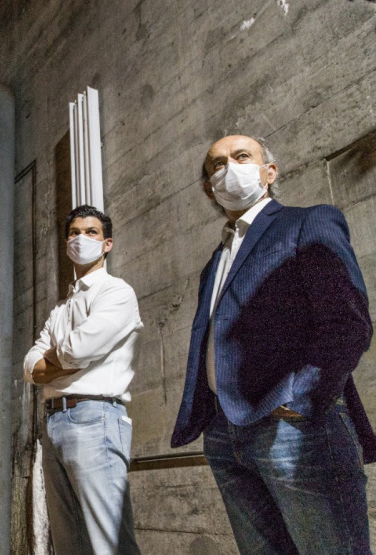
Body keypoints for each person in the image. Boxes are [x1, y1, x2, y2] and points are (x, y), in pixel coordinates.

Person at [171, 135, 375, 553]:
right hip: (225, 433)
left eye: (241, 156)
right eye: (216, 165)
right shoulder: (216, 259)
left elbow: (347, 323)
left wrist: (299, 398)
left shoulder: (309, 221)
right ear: (210, 188)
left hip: (294, 427)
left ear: (270, 172)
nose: (228, 167)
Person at [23, 204, 143, 554]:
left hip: (96, 417)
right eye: (74, 233)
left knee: (109, 543)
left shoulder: (116, 293)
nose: (81, 239)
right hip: (54, 421)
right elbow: (30, 367)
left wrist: (59, 359)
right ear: (65, 245)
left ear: (107, 244)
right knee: (68, 544)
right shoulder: (60, 309)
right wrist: (65, 359)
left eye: (91, 232)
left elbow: (76, 349)